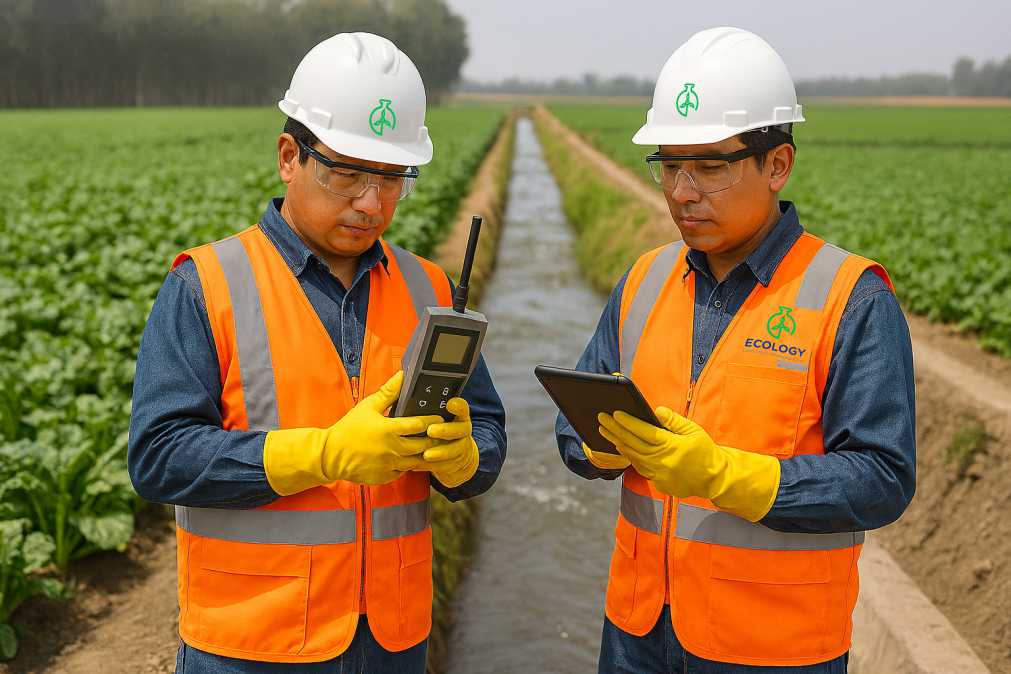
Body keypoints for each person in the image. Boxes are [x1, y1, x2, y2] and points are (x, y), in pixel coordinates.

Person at [128, 32, 506, 673]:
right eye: (347, 173)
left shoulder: (430, 288)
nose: (370, 202)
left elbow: (488, 431)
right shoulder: (206, 284)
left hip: (391, 640)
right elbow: (159, 459)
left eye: (391, 178)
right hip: (251, 646)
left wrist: (465, 457)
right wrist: (326, 453)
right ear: (288, 156)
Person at [555, 26, 915, 673]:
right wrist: (598, 444)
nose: (681, 191)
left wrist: (719, 475)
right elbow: (570, 430)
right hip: (639, 630)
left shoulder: (849, 296)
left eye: (708, 167)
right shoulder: (643, 281)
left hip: (770, 646)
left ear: (776, 164)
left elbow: (880, 480)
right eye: (668, 165)